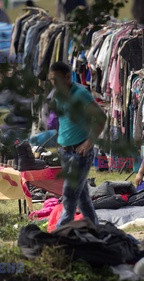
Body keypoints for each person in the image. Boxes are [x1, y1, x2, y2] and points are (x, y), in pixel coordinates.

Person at [48, 62, 106, 228]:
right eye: (51, 80)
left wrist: (89, 142)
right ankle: (95, 228)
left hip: (80, 153)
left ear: (67, 77)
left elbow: (101, 118)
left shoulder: (81, 94)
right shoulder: (57, 94)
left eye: (56, 79)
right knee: (82, 198)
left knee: (69, 197)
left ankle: (57, 234)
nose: (53, 83)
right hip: (64, 151)